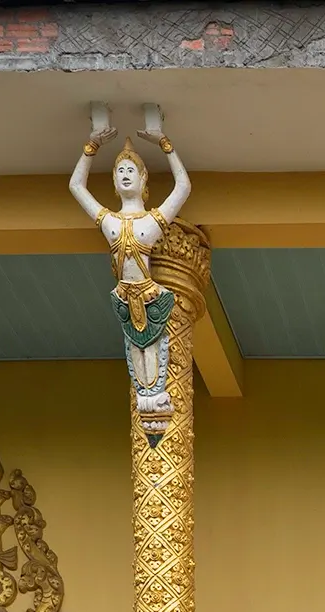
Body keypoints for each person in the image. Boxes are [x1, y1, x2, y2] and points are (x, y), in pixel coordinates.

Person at [69, 104, 191, 442]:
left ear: (143, 178)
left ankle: (154, 407)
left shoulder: (151, 223)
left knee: (153, 365)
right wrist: (91, 147)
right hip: (125, 299)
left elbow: (182, 187)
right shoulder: (110, 221)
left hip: (152, 298)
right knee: (138, 367)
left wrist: (164, 143)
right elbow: (77, 186)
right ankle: (148, 404)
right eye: (119, 171)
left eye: (130, 170)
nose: (124, 175)